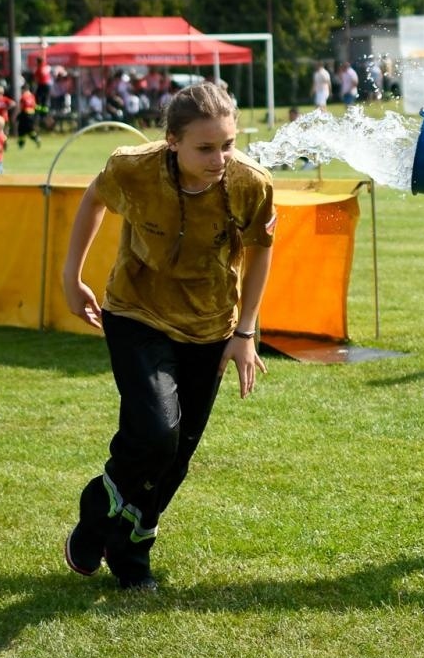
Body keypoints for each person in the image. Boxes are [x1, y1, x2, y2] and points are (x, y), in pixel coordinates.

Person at [61, 83, 275, 590]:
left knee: (177, 455)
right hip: (136, 314)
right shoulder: (132, 168)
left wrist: (245, 331)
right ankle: (98, 513)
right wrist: (71, 276)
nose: (220, 158)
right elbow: (94, 198)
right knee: (155, 434)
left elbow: (263, 249)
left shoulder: (250, 183)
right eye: (205, 147)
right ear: (172, 141)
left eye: (227, 144)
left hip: (210, 327)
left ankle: (130, 555)